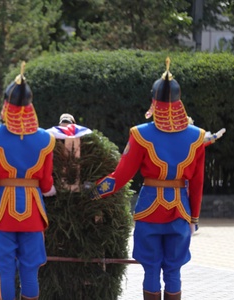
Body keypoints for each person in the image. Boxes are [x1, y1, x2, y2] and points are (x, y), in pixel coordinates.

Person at [89, 58, 207, 300]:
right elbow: (197, 183)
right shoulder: (198, 137)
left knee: (151, 268)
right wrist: (194, 216)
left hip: (149, 209)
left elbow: (120, 177)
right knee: (173, 270)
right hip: (180, 209)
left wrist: (92, 192)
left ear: (154, 101)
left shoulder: (141, 134)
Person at [0, 63, 56, 300]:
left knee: (5, 269)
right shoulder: (46, 139)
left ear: (6, 105)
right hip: (32, 210)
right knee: (30, 269)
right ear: (30, 106)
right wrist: (47, 188)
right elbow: (45, 182)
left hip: (2, 212)